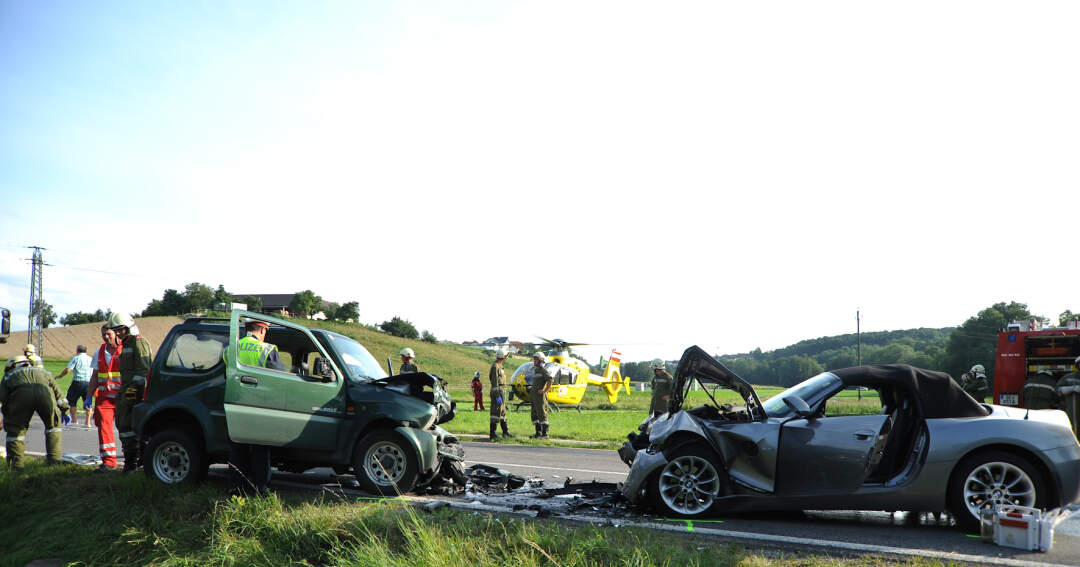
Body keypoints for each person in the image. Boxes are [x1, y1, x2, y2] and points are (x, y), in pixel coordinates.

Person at [227, 319, 284, 496]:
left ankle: (237, 487)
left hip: (236, 401)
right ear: (261, 330)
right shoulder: (267, 349)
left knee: (238, 446)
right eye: (265, 332)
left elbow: (225, 372)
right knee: (260, 446)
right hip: (259, 404)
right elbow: (279, 379)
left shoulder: (232, 348)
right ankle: (261, 487)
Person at [1, 355, 67, 469]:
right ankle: (54, 462)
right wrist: (65, 409)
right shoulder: (43, 371)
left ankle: (16, 466)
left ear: (13, 366)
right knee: (53, 427)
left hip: (22, 397)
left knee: (16, 432)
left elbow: (2, 397)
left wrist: (6, 415)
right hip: (45, 396)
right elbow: (57, 391)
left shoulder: (9, 375)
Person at [107, 311, 153, 473]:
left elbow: (144, 370)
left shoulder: (139, 343)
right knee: (124, 426)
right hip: (126, 391)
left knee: (129, 427)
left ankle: (132, 464)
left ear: (130, 328)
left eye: (121, 330)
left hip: (135, 393)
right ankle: (133, 462)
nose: (118, 333)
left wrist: (134, 391)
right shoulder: (126, 344)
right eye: (116, 330)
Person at [88, 325, 123, 471]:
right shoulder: (99, 352)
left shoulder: (125, 350)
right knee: (104, 427)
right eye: (103, 334)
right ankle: (109, 462)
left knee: (127, 428)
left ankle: (135, 459)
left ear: (116, 334)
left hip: (123, 397)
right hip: (104, 399)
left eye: (108, 334)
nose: (106, 337)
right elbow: (95, 376)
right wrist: (88, 396)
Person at [56, 345, 94, 427]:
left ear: (77, 351)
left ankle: (74, 421)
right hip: (89, 383)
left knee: (72, 401)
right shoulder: (91, 359)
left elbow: (68, 369)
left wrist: (60, 376)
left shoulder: (76, 358)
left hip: (77, 382)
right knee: (88, 402)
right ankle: (87, 423)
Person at [488, 348, 512, 441]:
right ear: (503, 357)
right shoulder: (495, 366)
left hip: (502, 391)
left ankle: (505, 432)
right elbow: (494, 383)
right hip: (497, 392)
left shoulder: (500, 366)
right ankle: (492, 434)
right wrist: (497, 396)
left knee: (502, 412)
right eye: (505, 356)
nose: (505, 358)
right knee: (495, 412)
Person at [529, 351, 553, 438]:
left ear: (540, 361)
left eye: (536, 360)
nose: (534, 361)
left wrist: (544, 390)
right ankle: (538, 433)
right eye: (534, 359)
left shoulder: (543, 370)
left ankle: (545, 434)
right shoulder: (536, 370)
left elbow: (550, 380)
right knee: (534, 414)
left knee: (542, 414)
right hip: (534, 397)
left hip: (540, 397)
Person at [1059, 355, 1080, 438]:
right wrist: (1072, 388)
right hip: (1073, 409)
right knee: (1074, 427)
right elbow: (1058, 390)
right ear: (1077, 365)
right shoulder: (1068, 378)